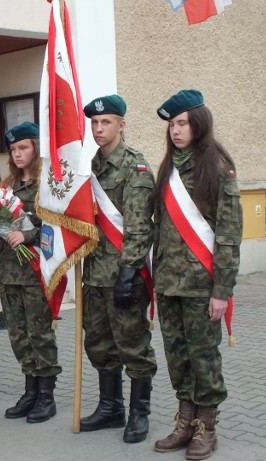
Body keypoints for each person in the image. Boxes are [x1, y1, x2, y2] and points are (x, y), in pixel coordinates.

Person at [153, 90, 242, 460]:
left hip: (202, 286)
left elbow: (228, 234)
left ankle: (207, 426)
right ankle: (185, 420)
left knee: (203, 357)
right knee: (177, 357)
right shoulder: (169, 167)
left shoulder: (218, 167)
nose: (175, 131)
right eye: (171, 125)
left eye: (182, 123)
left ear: (198, 123)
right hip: (169, 284)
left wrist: (222, 290)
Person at [80, 95, 157, 443]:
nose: (98, 129)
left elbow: (140, 227)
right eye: (94, 123)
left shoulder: (135, 167)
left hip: (124, 276)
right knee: (98, 344)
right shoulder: (91, 167)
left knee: (133, 348)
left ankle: (139, 414)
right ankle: (111, 408)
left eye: (106, 122)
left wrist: (129, 272)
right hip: (94, 275)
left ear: (121, 125)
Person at [0, 122, 61, 423]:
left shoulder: (48, 184)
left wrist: (28, 235)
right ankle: (30, 390)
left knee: (39, 334)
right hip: (9, 270)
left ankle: (46, 395)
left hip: (35, 270)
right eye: (13, 150)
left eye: (23, 147)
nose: (17, 154)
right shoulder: (7, 185)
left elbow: (58, 225)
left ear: (35, 148)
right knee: (18, 335)